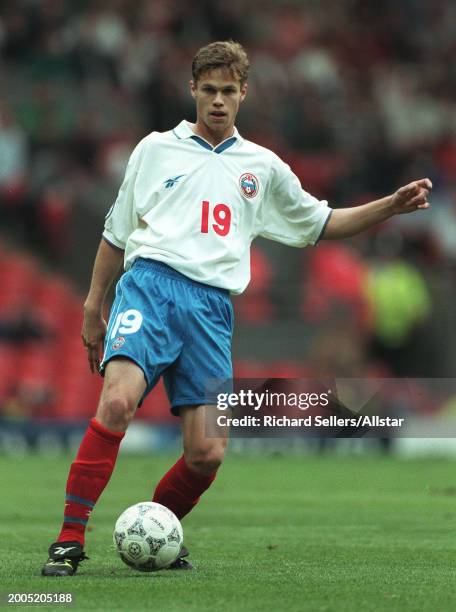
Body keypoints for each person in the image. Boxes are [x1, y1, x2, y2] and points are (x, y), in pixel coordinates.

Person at [41, 40, 432, 576]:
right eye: (209, 90)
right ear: (193, 91)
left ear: (243, 94)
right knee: (117, 404)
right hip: (150, 289)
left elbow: (323, 224)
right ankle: (68, 540)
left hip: (210, 311)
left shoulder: (262, 167)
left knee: (208, 455)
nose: (218, 101)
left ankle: (156, 530)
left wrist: (392, 204)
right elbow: (115, 234)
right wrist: (93, 305)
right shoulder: (155, 149)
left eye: (229, 91)